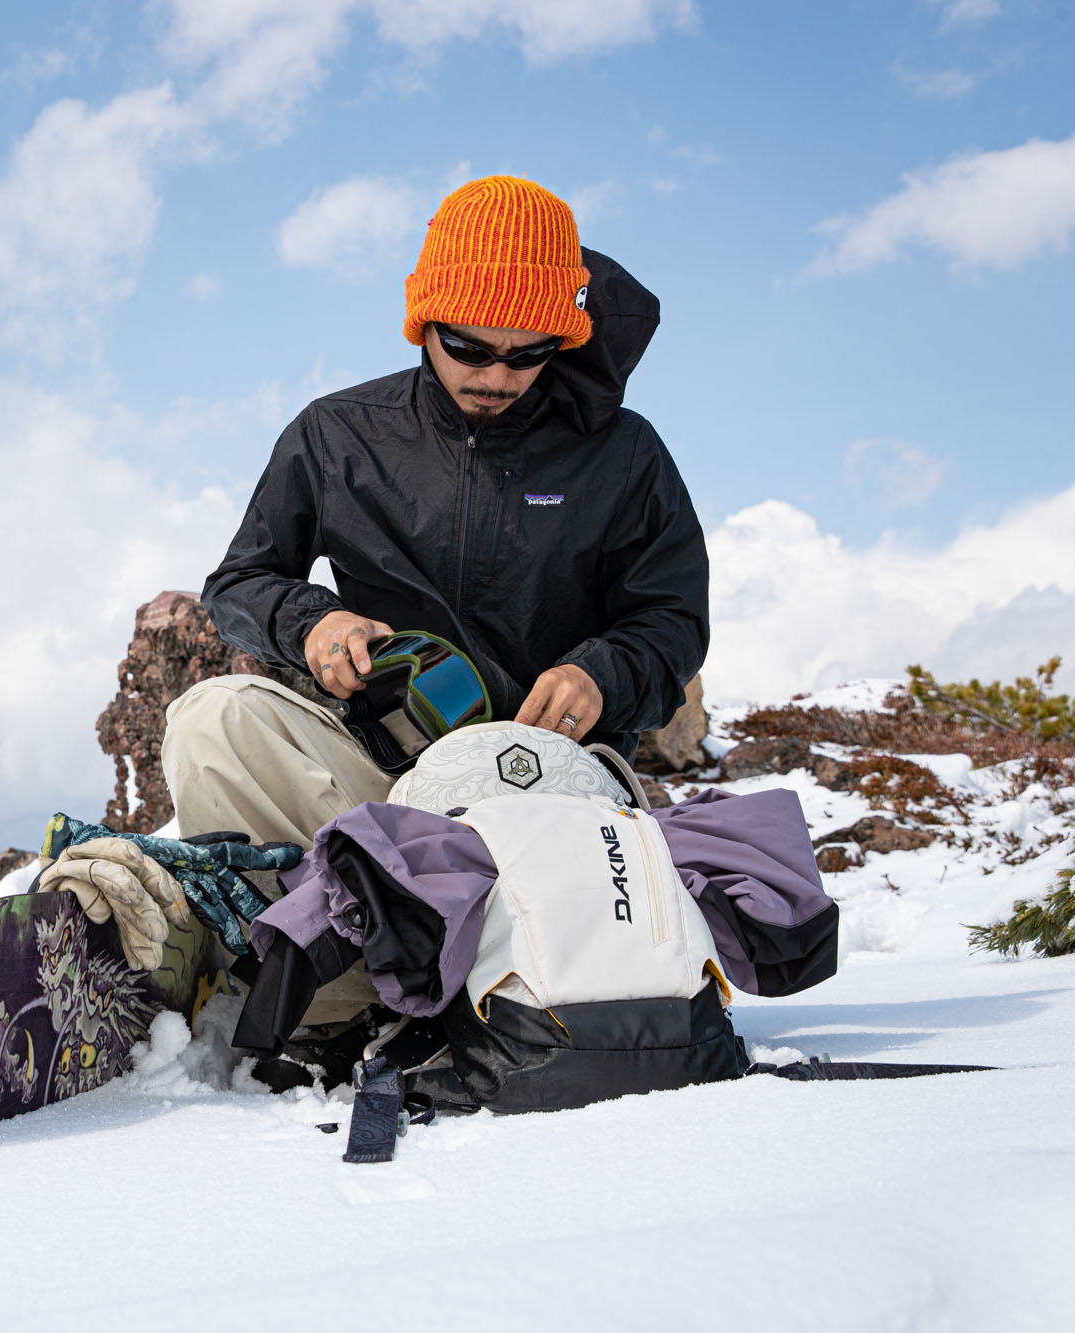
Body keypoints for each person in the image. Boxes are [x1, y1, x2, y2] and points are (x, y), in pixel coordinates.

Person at [160, 175, 710, 1021]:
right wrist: (315, 622)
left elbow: (673, 620)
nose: (498, 375)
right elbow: (239, 583)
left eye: (529, 354)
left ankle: (522, 980)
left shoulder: (626, 454)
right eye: (471, 347)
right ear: (425, 322)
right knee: (212, 718)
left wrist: (604, 670)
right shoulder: (337, 433)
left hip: (552, 781)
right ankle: (337, 1001)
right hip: (389, 772)